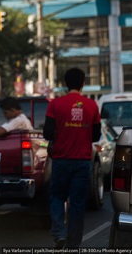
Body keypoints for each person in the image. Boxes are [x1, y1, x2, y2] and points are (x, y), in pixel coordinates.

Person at [43, 67, 101, 249]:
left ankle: (59, 234)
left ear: (65, 84)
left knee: (57, 197)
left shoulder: (55, 104)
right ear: (83, 83)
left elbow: (47, 133)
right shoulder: (92, 106)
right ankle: (74, 243)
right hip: (83, 162)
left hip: (61, 160)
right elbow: (96, 136)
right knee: (77, 203)